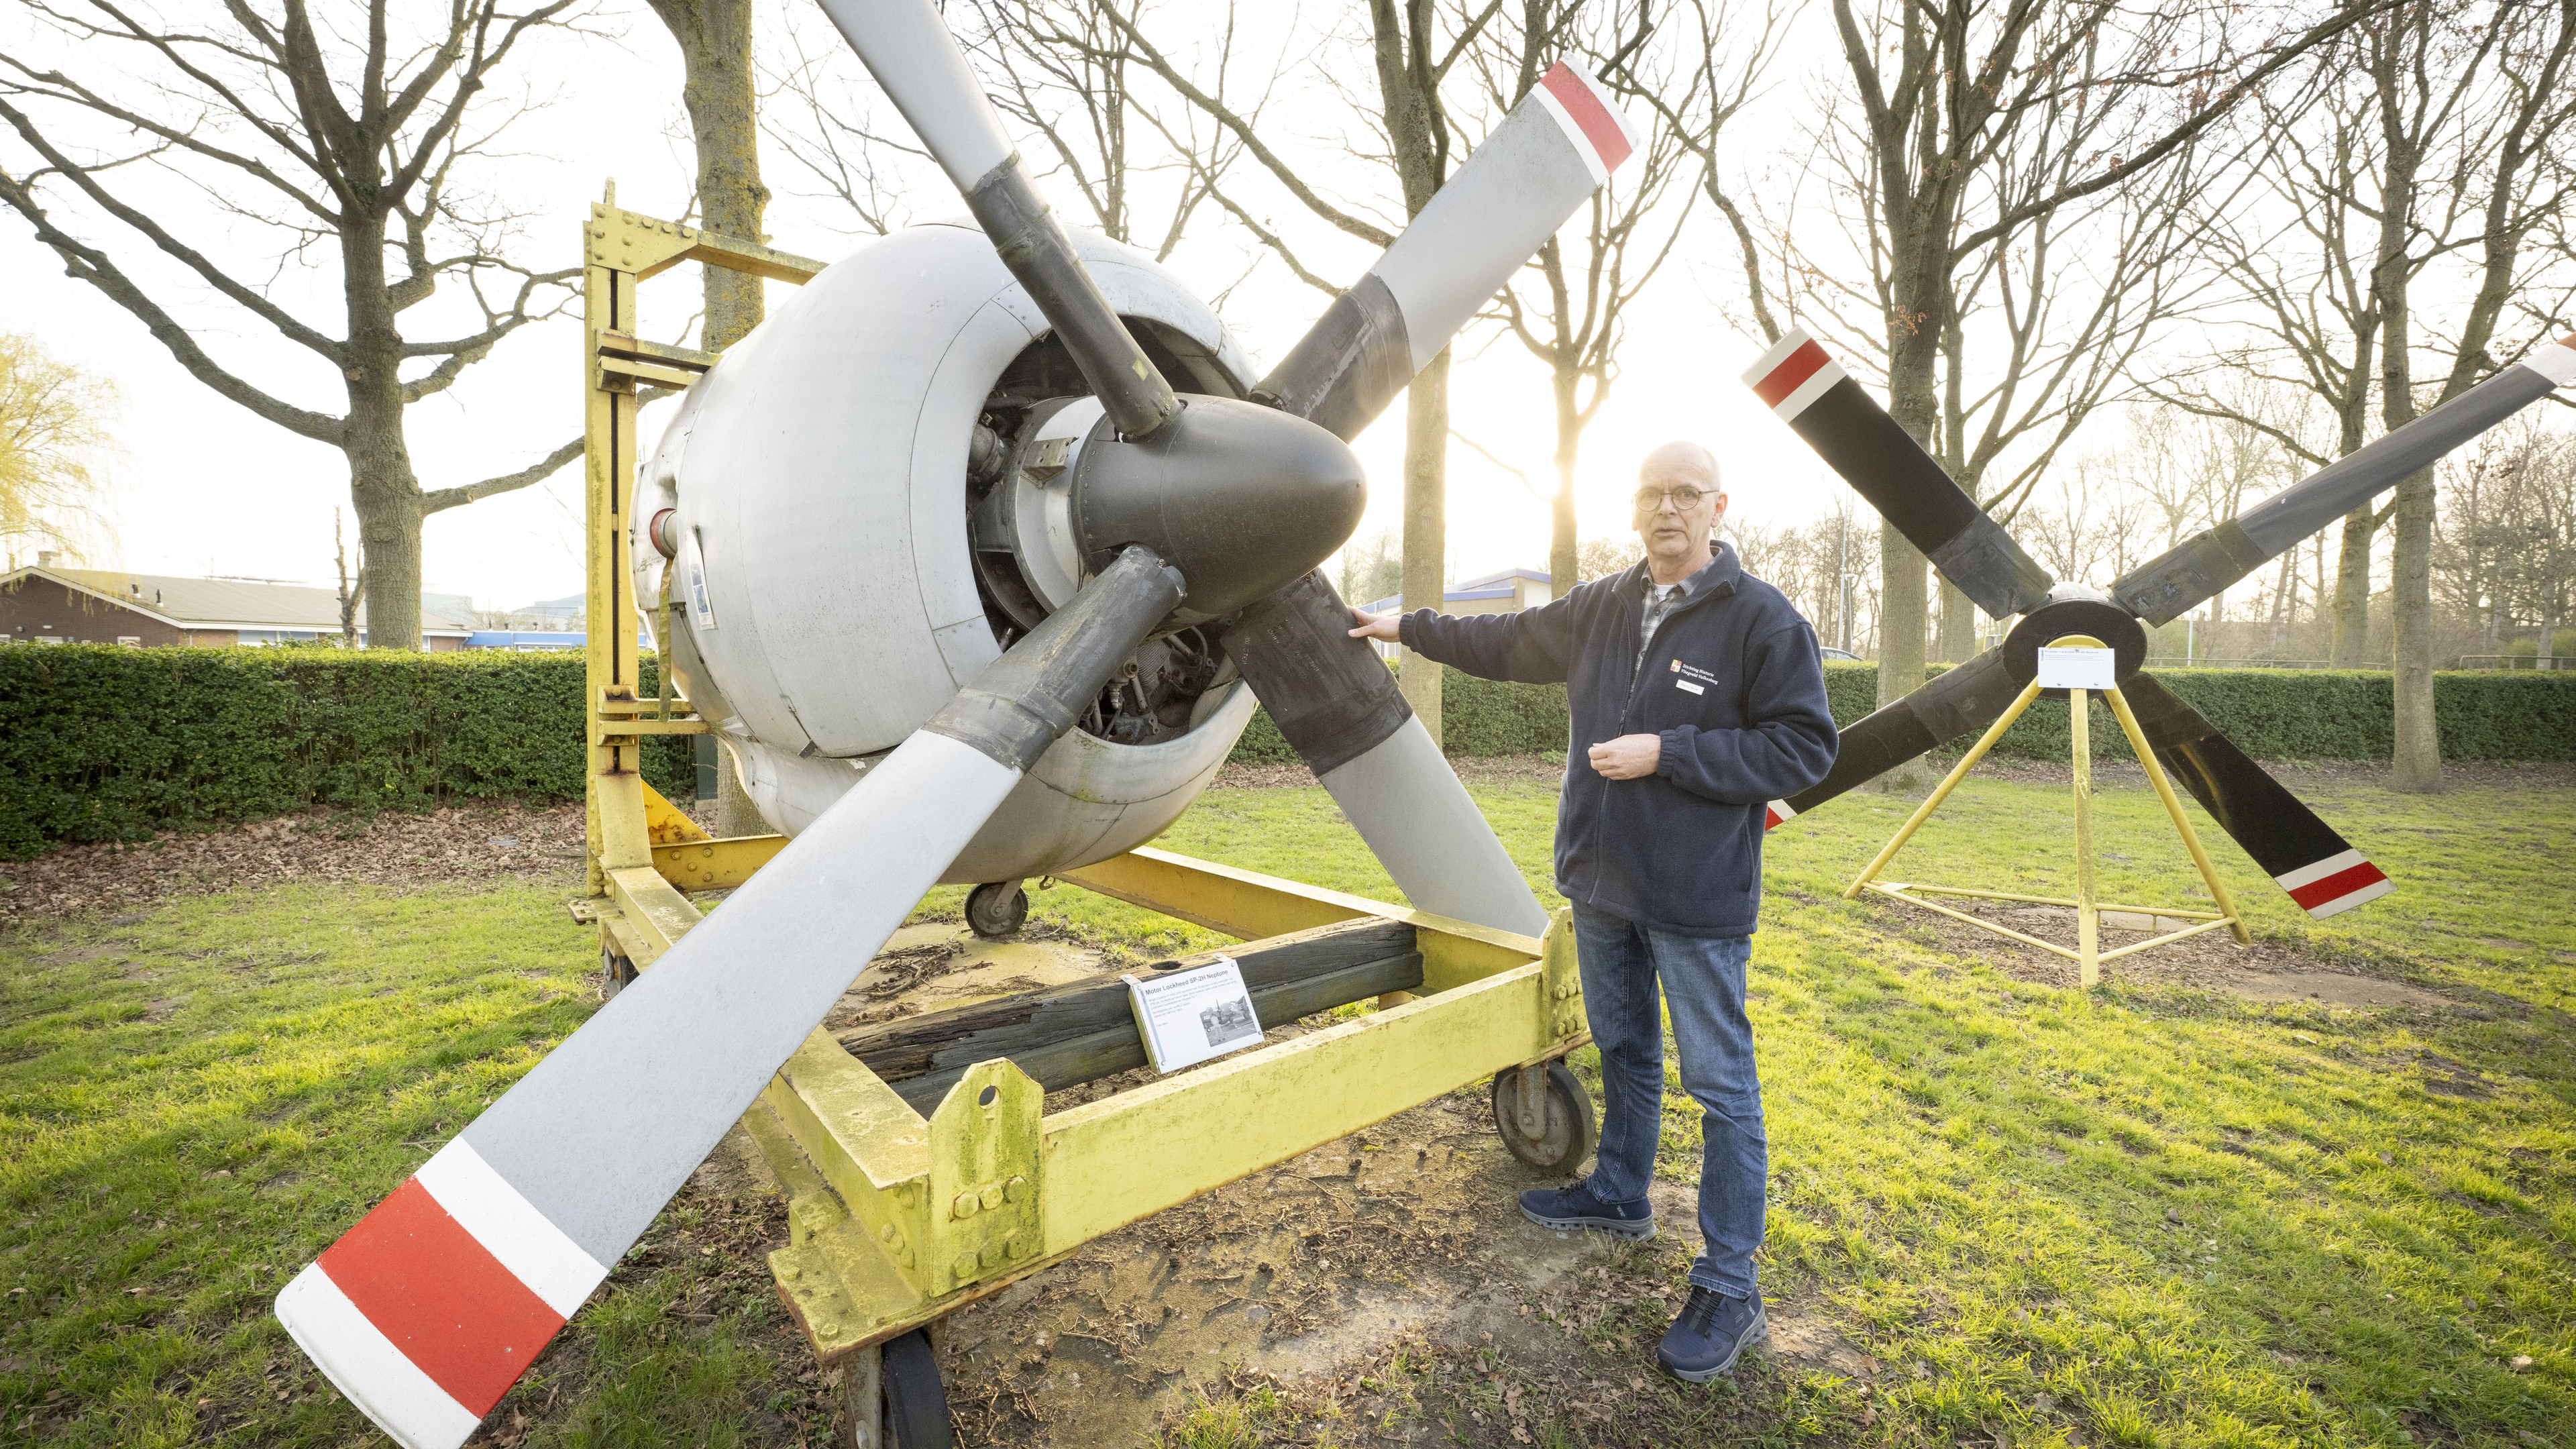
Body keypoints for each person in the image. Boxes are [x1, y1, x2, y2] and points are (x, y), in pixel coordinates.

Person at [1346, 440, 1837, 1382]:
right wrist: (1401, 627)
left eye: (1686, 493)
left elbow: (1803, 750)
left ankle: (1732, 1286)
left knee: (1722, 1087)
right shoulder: (1605, 605)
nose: (1667, 509)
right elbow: (1501, 641)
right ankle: (1620, 1193)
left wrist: (1672, 753)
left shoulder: (1764, 622)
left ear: (1719, 506)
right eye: (1651, 493)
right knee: (1623, 1048)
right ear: (1634, 507)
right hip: (1602, 885)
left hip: (1694, 900)